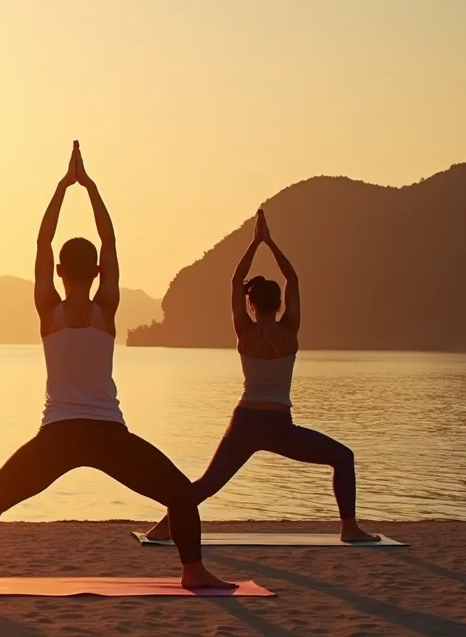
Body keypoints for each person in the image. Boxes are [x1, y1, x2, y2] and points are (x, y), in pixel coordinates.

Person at [0, 142, 236, 595]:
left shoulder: (48, 310)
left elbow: (42, 242)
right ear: (96, 272)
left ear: (58, 270)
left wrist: (62, 188)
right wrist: (89, 188)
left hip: (60, 436)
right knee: (181, 493)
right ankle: (193, 570)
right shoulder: (105, 310)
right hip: (107, 434)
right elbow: (110, 242)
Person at [144, 209, 379, 543]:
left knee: (208, 484)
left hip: (245, 423)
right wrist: (270, 242)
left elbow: (234, 282)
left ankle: (164, 527)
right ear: (280, 304)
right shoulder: (289, 331)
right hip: (279, 426)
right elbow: (292, 279)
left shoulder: (245, 331)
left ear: (251, 305)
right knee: (343, 457)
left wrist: (255, 244)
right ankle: (350, 528)